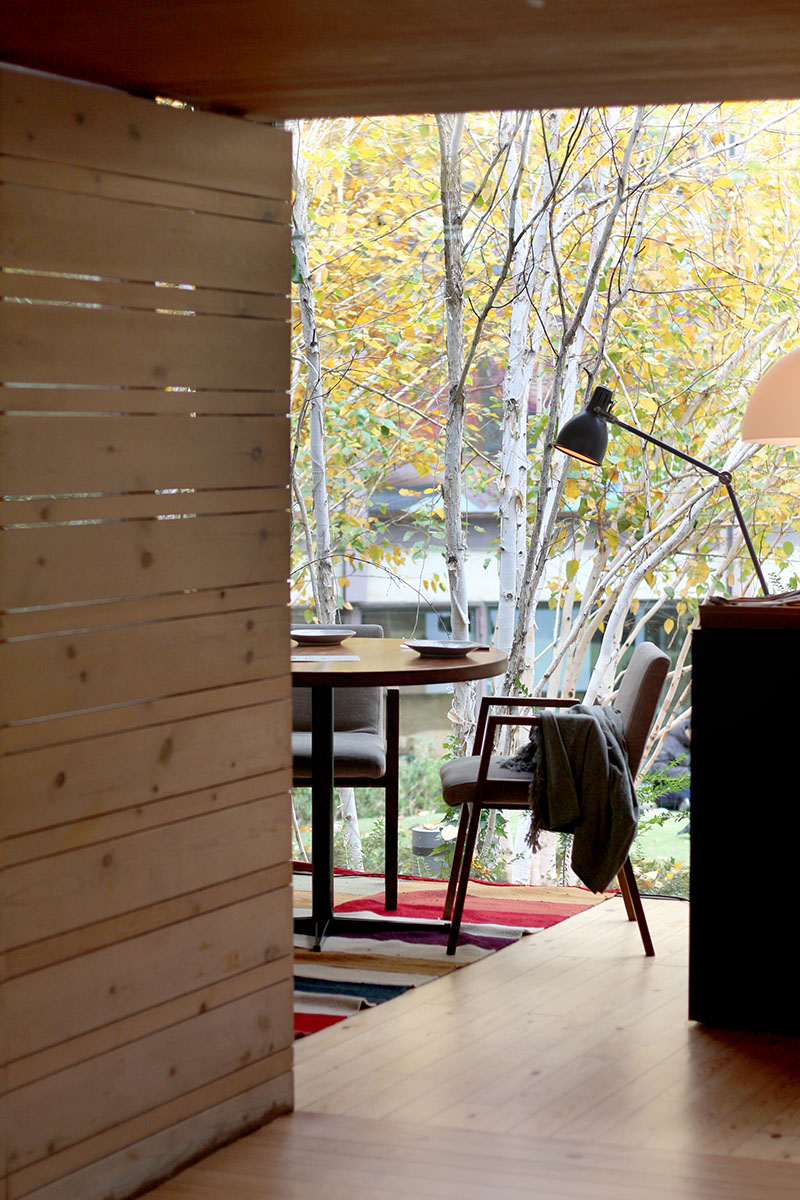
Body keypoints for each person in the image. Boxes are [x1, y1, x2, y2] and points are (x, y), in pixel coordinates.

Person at [648, 716, 691, 822]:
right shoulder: (669, 740)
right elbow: (656, 771)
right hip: (668, 787)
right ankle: (683, 802)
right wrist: (686, 774)